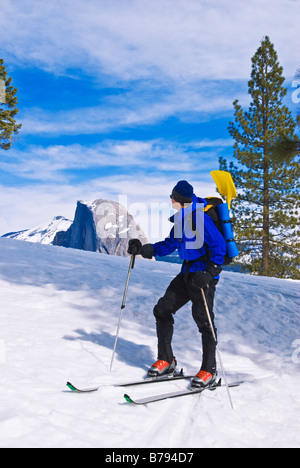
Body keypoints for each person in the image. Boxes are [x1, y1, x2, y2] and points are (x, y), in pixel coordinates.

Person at [127, 180, 226, 389]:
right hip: (186, 273)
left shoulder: (201, 219)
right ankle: (167, 361)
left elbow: (219, 246)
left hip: (202, 276)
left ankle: (209, 370)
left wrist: (210, 273)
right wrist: (143, 249)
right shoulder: (182, 219)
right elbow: (169, 244)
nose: (170, 200)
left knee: (204, 320)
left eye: (172, 197)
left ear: (178, 200)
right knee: (162, 309)